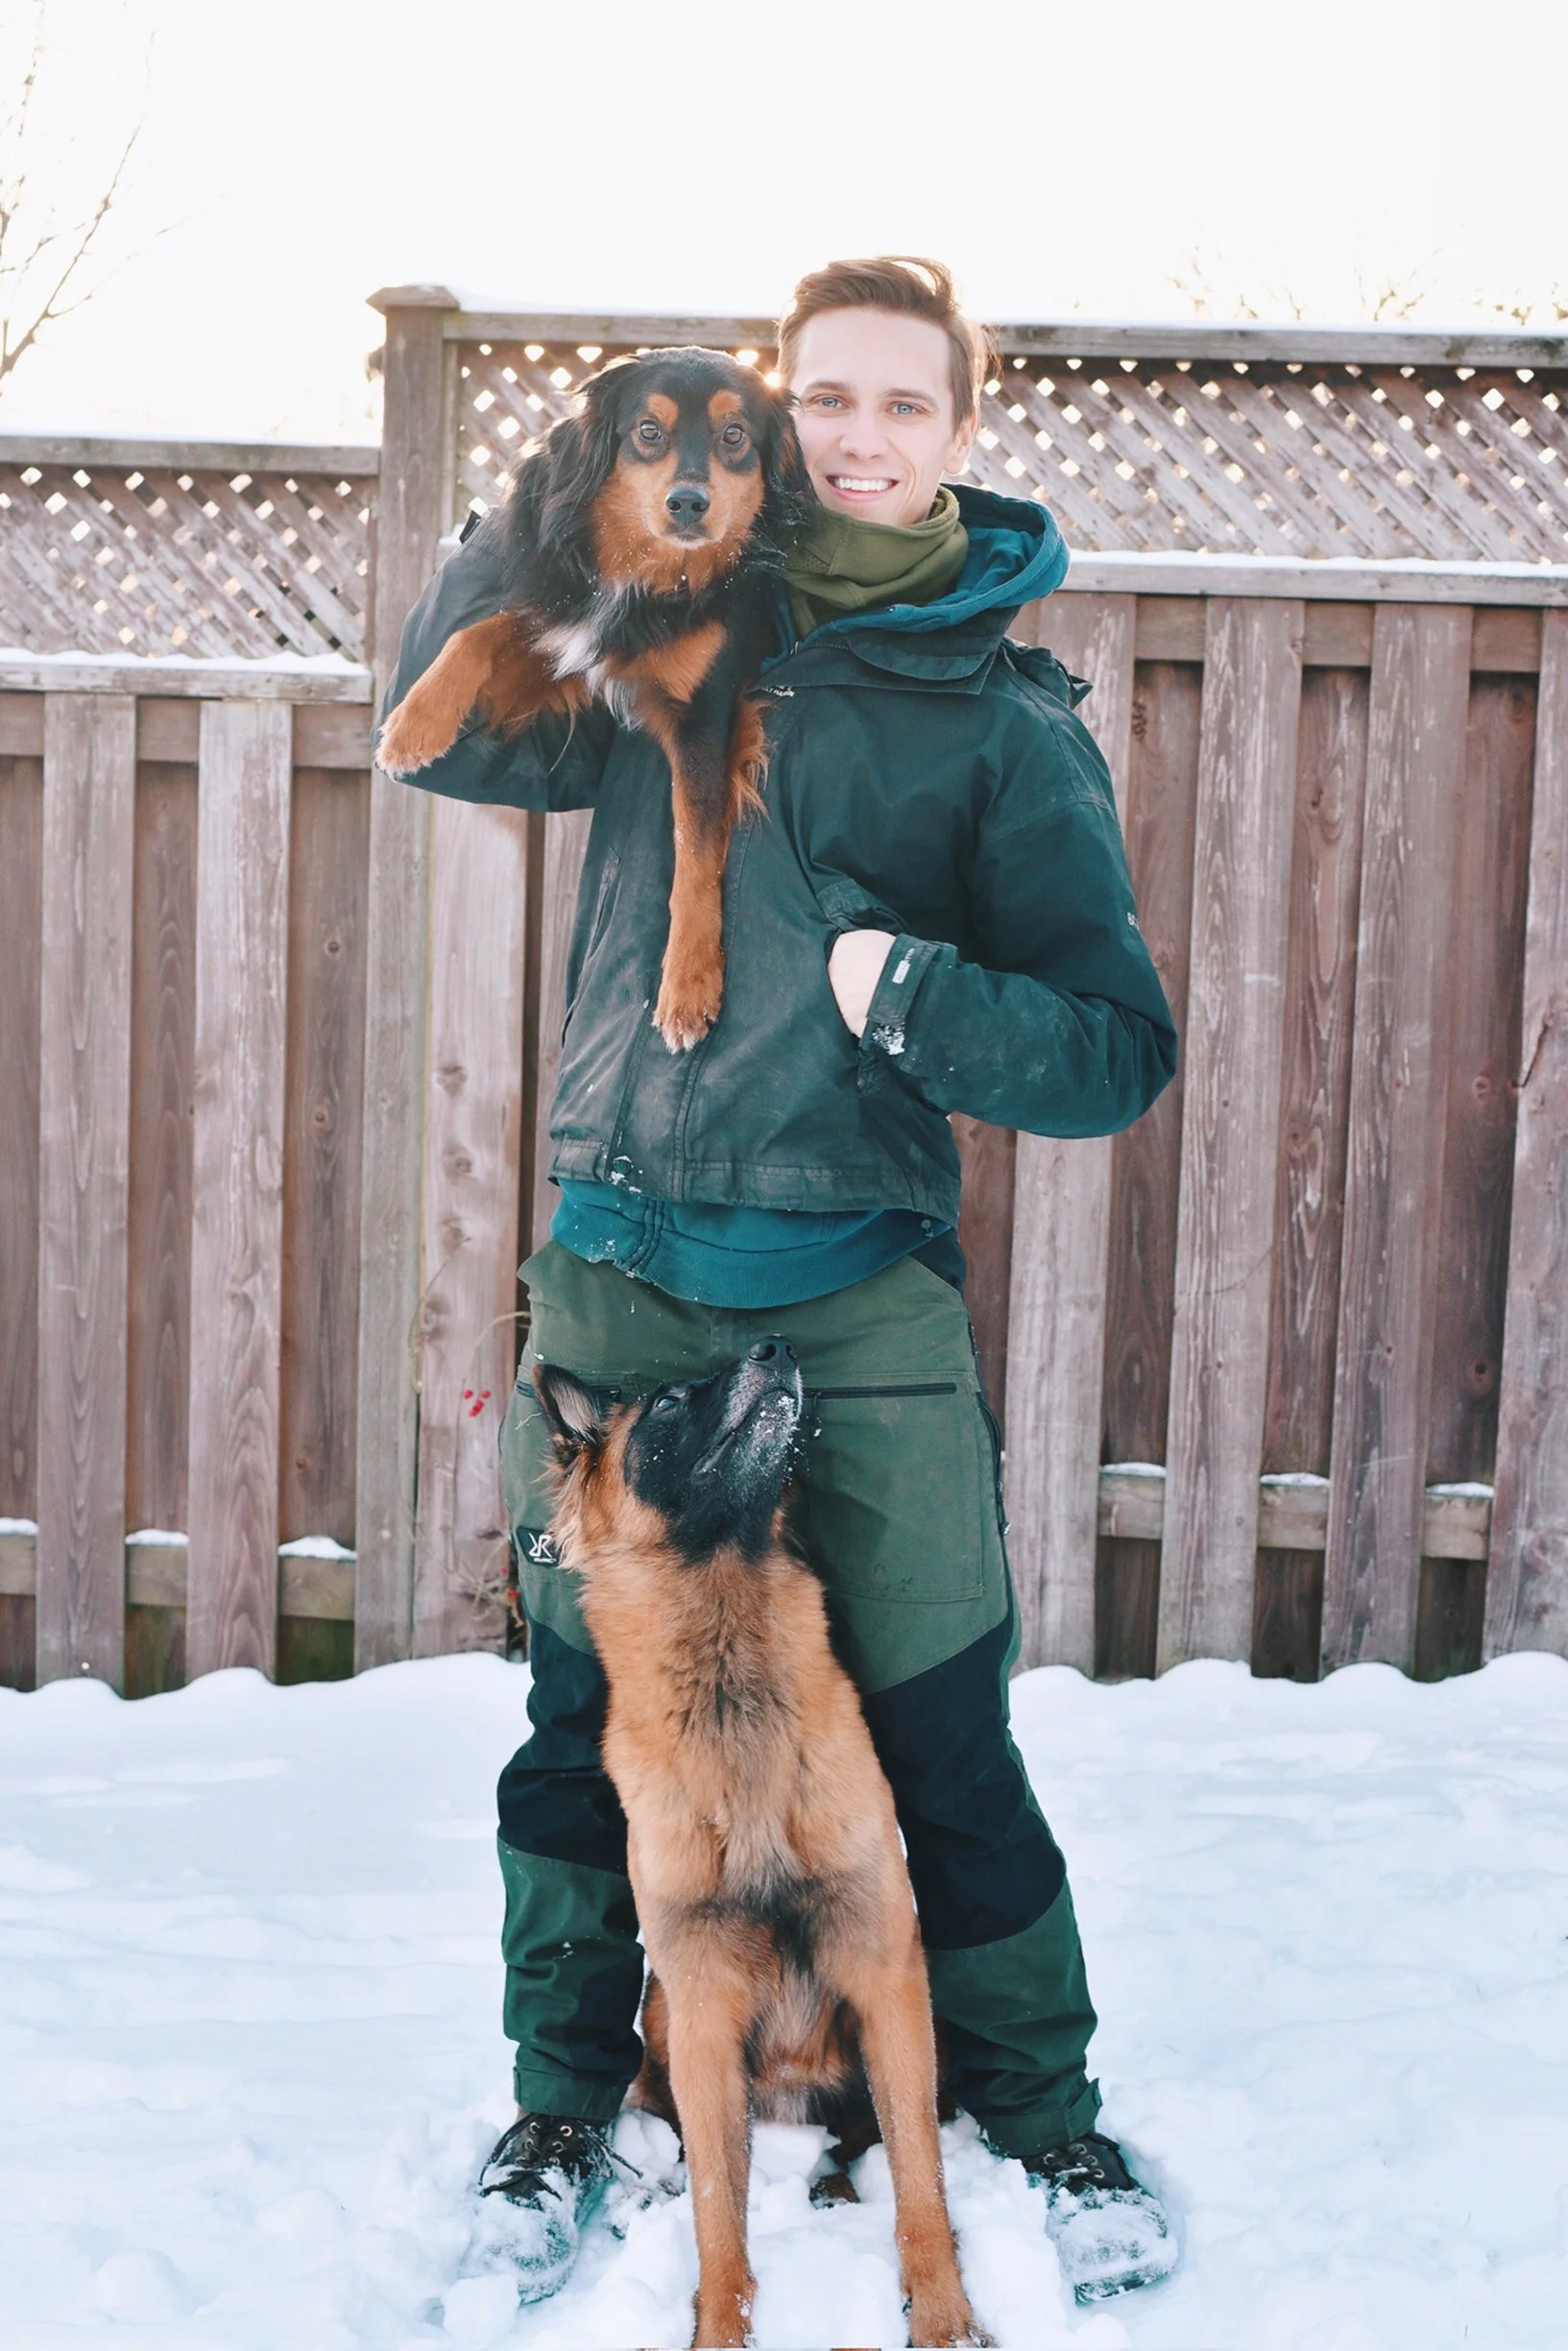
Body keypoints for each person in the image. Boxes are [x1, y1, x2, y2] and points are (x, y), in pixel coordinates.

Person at [381, 256, 1180, 2308]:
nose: (857, 436)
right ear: (774, 411)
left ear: (962, 431)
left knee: (939, 1726)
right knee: (582, 1722)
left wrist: (912, 995)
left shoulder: (1001, 718)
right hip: (625, 1275)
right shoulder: (653, 623)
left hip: (858, 1297)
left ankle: (1047, 2115)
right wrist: (528, 500)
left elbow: (1114, 1050)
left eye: (903, 403)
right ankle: (567, 2108)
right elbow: (439, 738)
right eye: (824, 396)